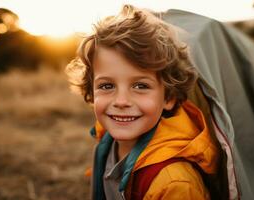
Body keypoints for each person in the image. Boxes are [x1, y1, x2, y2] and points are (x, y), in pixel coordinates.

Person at [65, 4, 219, 200]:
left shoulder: (175, 184)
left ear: (169, 97)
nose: (121, 101)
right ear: (92, 91)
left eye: (140, 86)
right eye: (106, 86)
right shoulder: (106, 141)